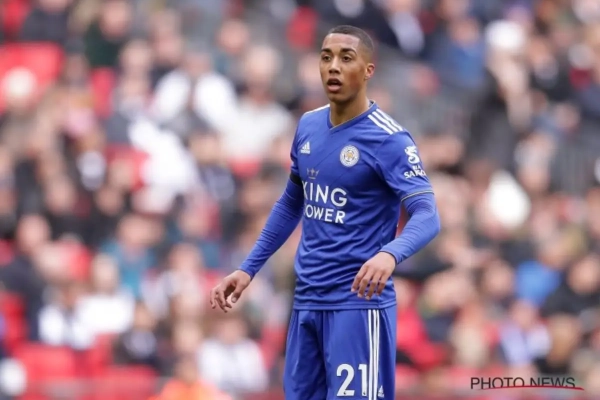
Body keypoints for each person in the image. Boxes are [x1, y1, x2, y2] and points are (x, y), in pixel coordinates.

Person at [209, 25, 441, 399]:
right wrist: (248, 268)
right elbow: (291, 203)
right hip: (306, 300)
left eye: (346, 58)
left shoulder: (389, 139)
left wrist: (390, 254)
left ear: (368, 70)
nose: (333, 66)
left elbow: (427, 213)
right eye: (326, 57)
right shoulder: (308, 125)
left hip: (357, 304)